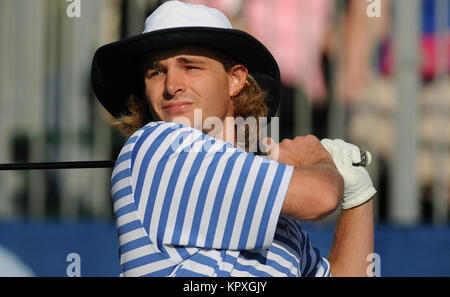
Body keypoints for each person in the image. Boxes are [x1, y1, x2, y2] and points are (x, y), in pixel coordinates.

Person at [91, 0, 376, 277]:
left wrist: (358, 195)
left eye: (190, 67)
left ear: (235, 79)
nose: (171, 86)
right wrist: (319, 161)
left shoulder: (281, 218)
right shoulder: (156, 145)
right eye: (156, 72)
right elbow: (321, 197)